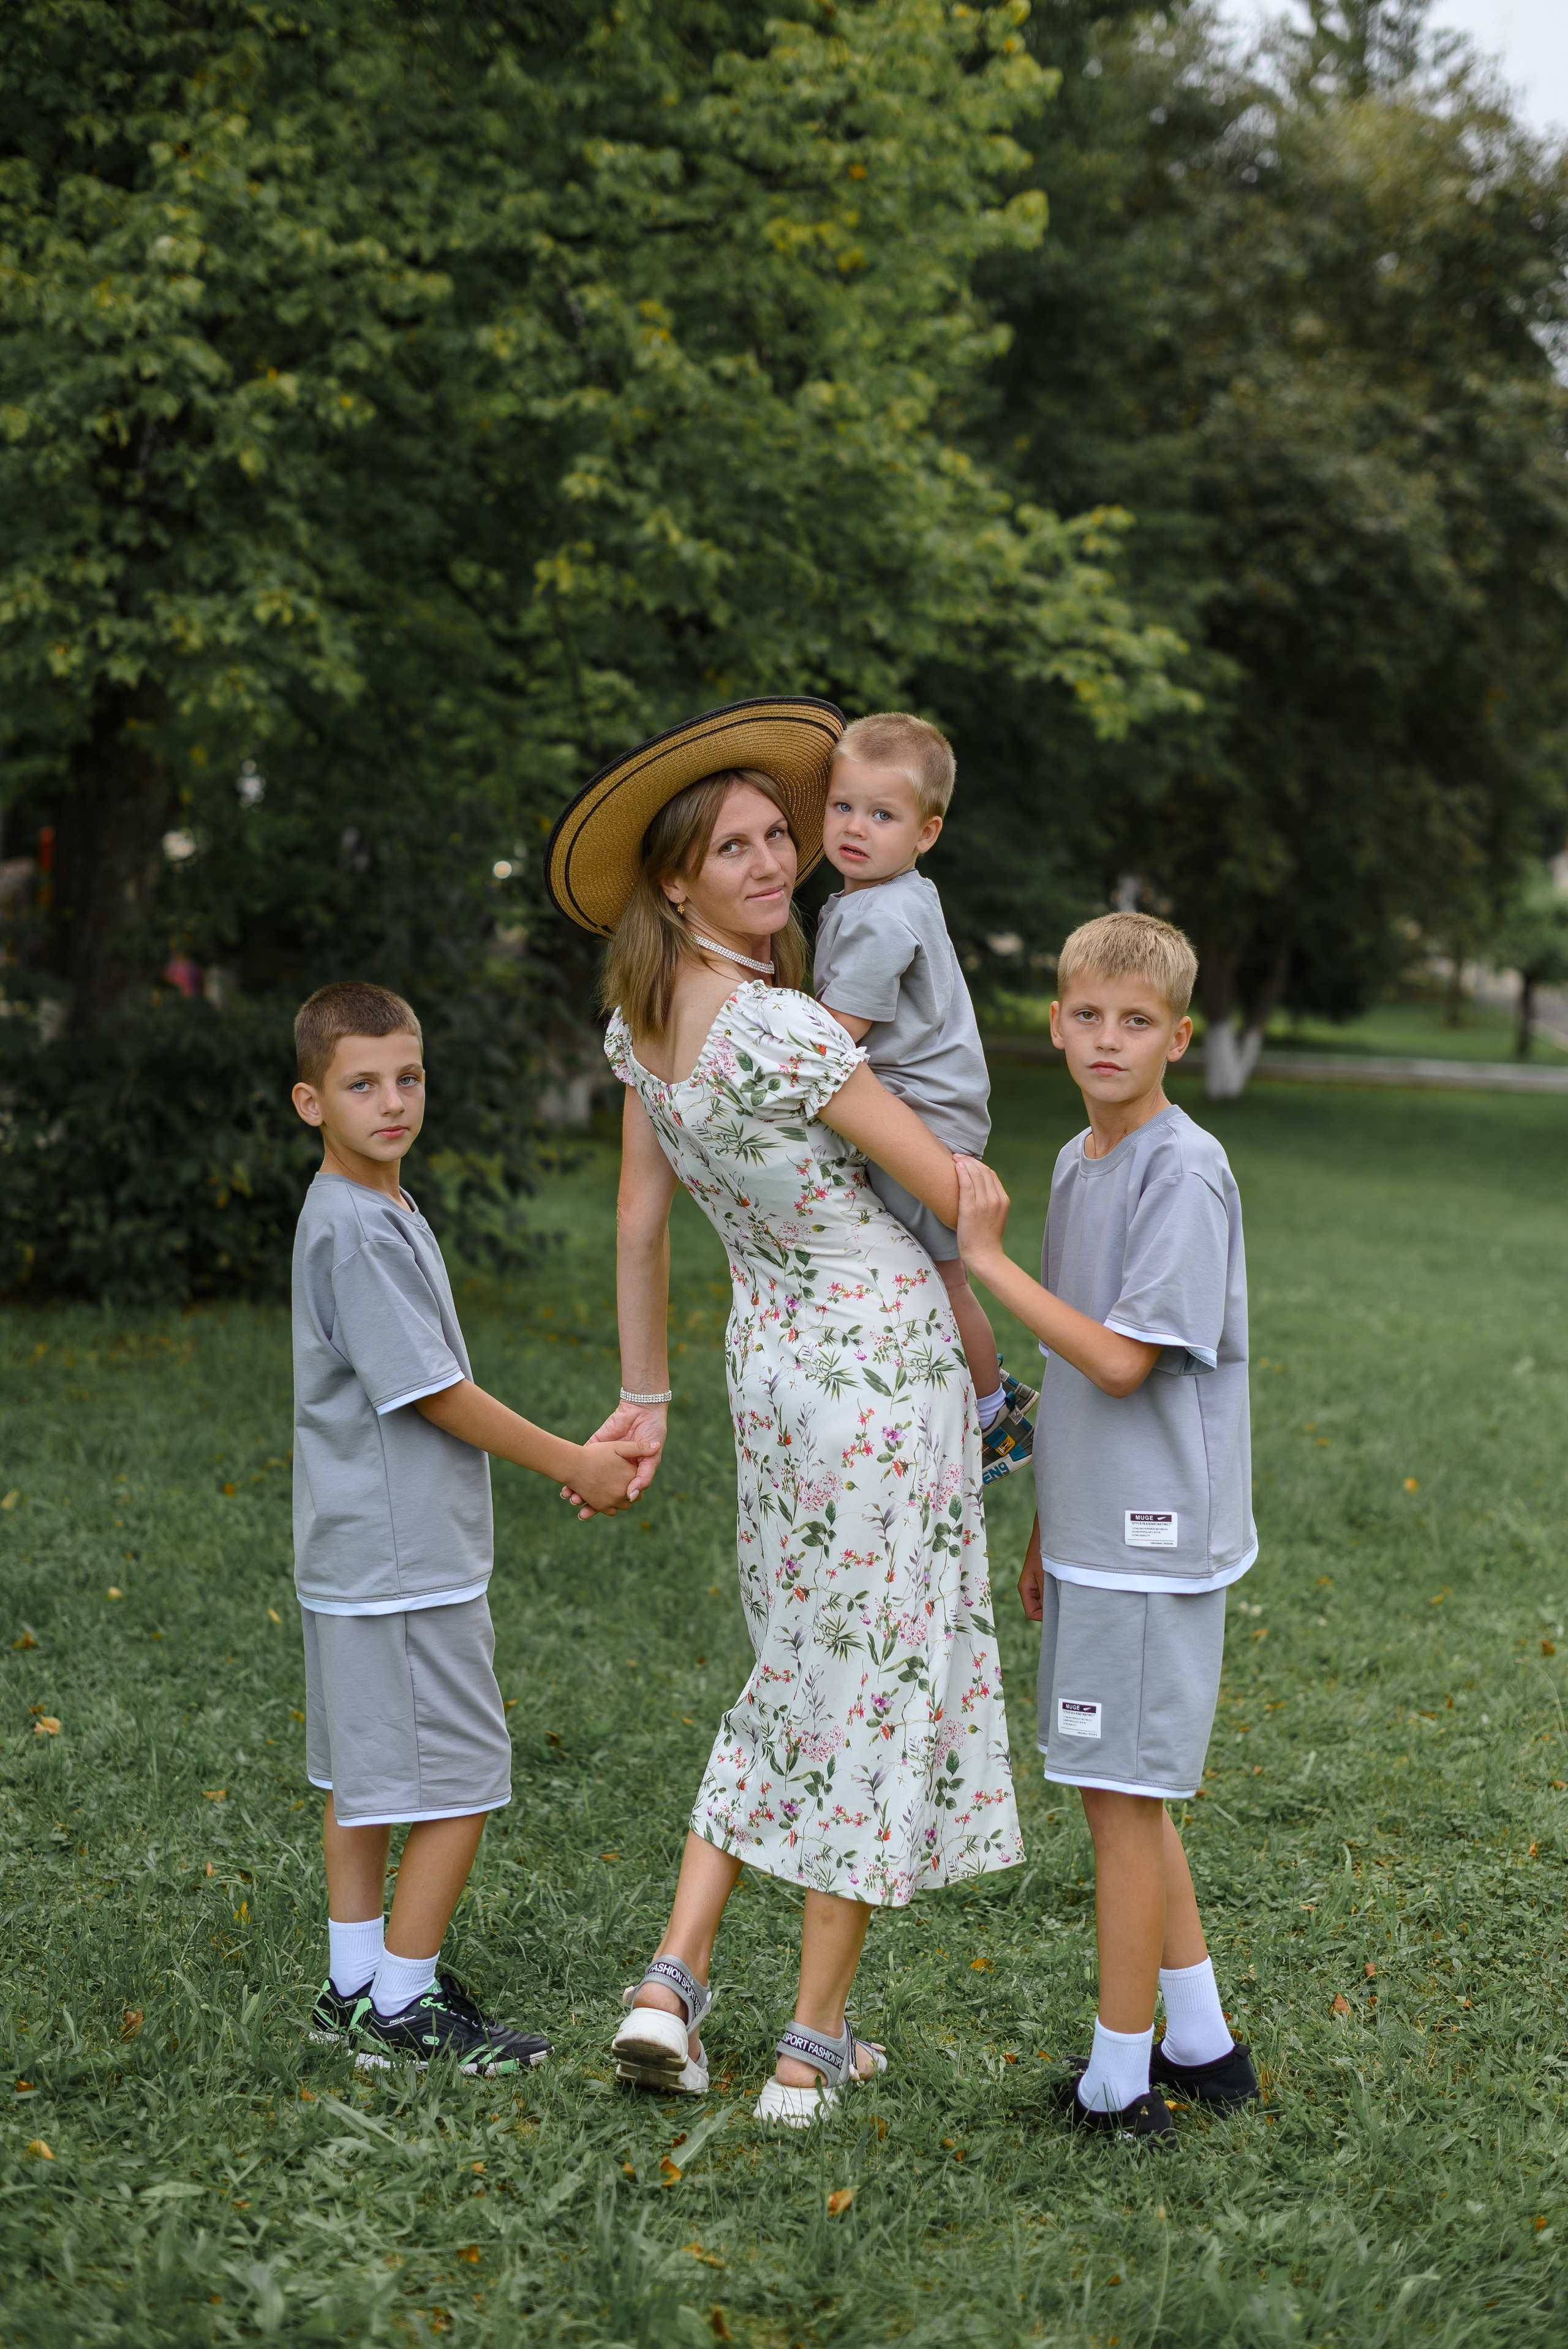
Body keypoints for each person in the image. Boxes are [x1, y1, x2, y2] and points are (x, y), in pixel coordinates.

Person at [545, 697, 1022, 2125]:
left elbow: (641, 1221)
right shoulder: (784, 1029)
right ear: (674, 880)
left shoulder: (647, 1026)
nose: (772, 863)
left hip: (770, 1365)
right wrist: (990, 1219)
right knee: (872, 1678)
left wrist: (644, 1396)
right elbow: (948, 1187)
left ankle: (670, 1978)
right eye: (733, 848)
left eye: (778, 836)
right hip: (876, 1358)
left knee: (793, 1666)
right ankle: (810, 2039)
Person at [290, 979, 656, 2074]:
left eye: (408, 1078)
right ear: (311, 1102)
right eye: (362, 1084)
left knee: (363, 1779)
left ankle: (352, 1988)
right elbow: (437, 1392)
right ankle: (399, 2013)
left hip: (360, 1557)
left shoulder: (371, 1208)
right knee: (458, 1781)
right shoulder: (357, 1230)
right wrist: (577, 1461)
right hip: (403, 1566)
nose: (392, 1101)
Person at [954, 911, 1260, 2141]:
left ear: (1177, 1038)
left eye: (1135, 1021)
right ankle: (1201, 2046)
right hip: (1094, 1530)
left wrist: (981, 1255)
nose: (1106, 1038)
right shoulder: (1078, 1160)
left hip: (1151, 1541)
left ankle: (1118, 2086)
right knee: (1116, 1791)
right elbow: (1069, 1366)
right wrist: (1044, 1520)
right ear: (1054, 1022)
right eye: (1086, 1014)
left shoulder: (1181, 1172)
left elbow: (1124, 1362)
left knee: (1117, 1801)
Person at [814, 712, 1037, 1486]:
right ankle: (978, 1392)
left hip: (923, 1114)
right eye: (842, 807)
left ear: (926, 831)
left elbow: (833, 1037)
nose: (855, 828)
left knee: (945, 1275)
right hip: (924, 1101)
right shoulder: (886, 895)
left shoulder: (881, 915)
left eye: (882, 815)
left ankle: (991, 1417)